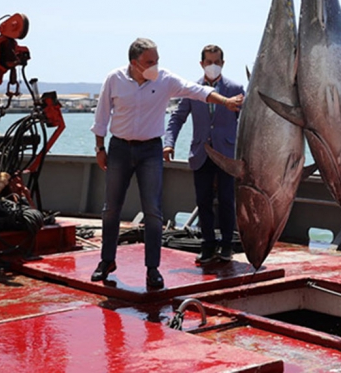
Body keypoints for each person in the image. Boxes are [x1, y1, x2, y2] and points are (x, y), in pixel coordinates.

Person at [90, 38, 244, 289]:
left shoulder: (164, 79)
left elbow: (197, 91)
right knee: (111, 208)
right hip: (119, 148)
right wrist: (99, 147)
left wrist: (225, 102)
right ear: (134, 63)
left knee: (153, 211)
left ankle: (152, 269)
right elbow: (102, 115)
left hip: (150, 149)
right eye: (150, 62)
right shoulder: (114, 79)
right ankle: (107, 260)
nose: (155, 66)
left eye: (157, 60)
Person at [164, 44, 245, 265]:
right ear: (201, 64)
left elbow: (247, 123)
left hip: (227, 155)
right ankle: (208, 245)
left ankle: (227, 245)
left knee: (228, 200)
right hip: (201, 153)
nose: (213, 66)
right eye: (209, 62)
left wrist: (245, 155)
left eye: (217, 62)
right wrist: (168, 143)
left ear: (223, 63)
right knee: (204, 200)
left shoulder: (236, 88)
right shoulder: (192, 90)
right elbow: (177, 118)